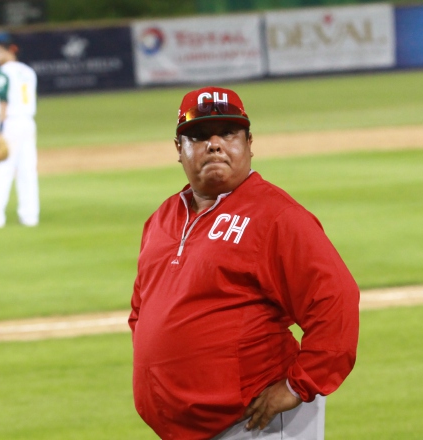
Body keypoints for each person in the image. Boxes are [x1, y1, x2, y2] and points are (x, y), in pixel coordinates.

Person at [129, 87, 360, 440]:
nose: (215, 144)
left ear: (249, 143)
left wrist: (299, 386)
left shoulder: (277, 216)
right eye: (200, 135)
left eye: (228, 132)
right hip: (189, 426)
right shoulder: (162, 219)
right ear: (180, 149)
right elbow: (141, 312)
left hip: (255, 423)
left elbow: (335, 301)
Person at [0, 39, 39, 228]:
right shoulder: (28, 71)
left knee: (1, 170)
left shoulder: (3, 72)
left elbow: (3, 100)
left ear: (8, 52)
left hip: (10, 123)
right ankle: (30, 216)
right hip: (28, 121)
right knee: (27, 170)